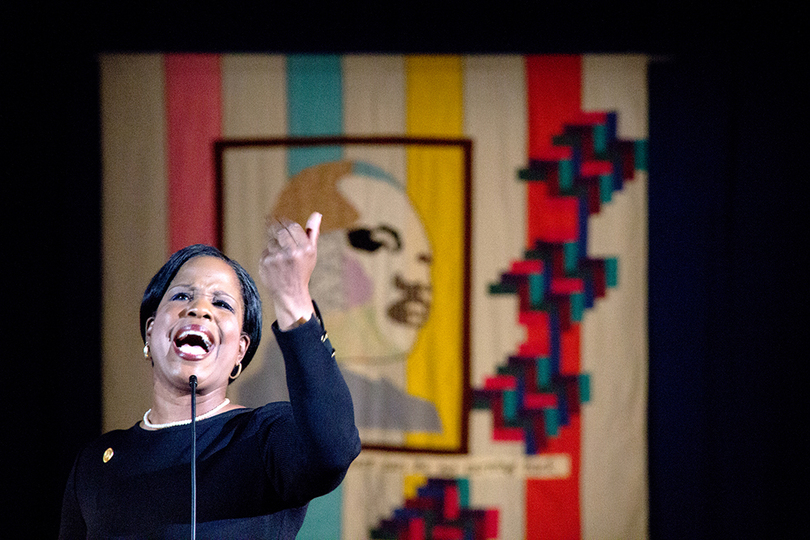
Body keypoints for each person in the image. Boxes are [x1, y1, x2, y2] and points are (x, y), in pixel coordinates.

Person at [59, 212, 361, 539]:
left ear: (240, 352)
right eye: (181, 296)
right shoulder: (94, 465)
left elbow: (333, 449)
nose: (200, 309)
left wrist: (293, 299)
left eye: (222, 304)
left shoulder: (263, 440)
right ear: (150, 332)